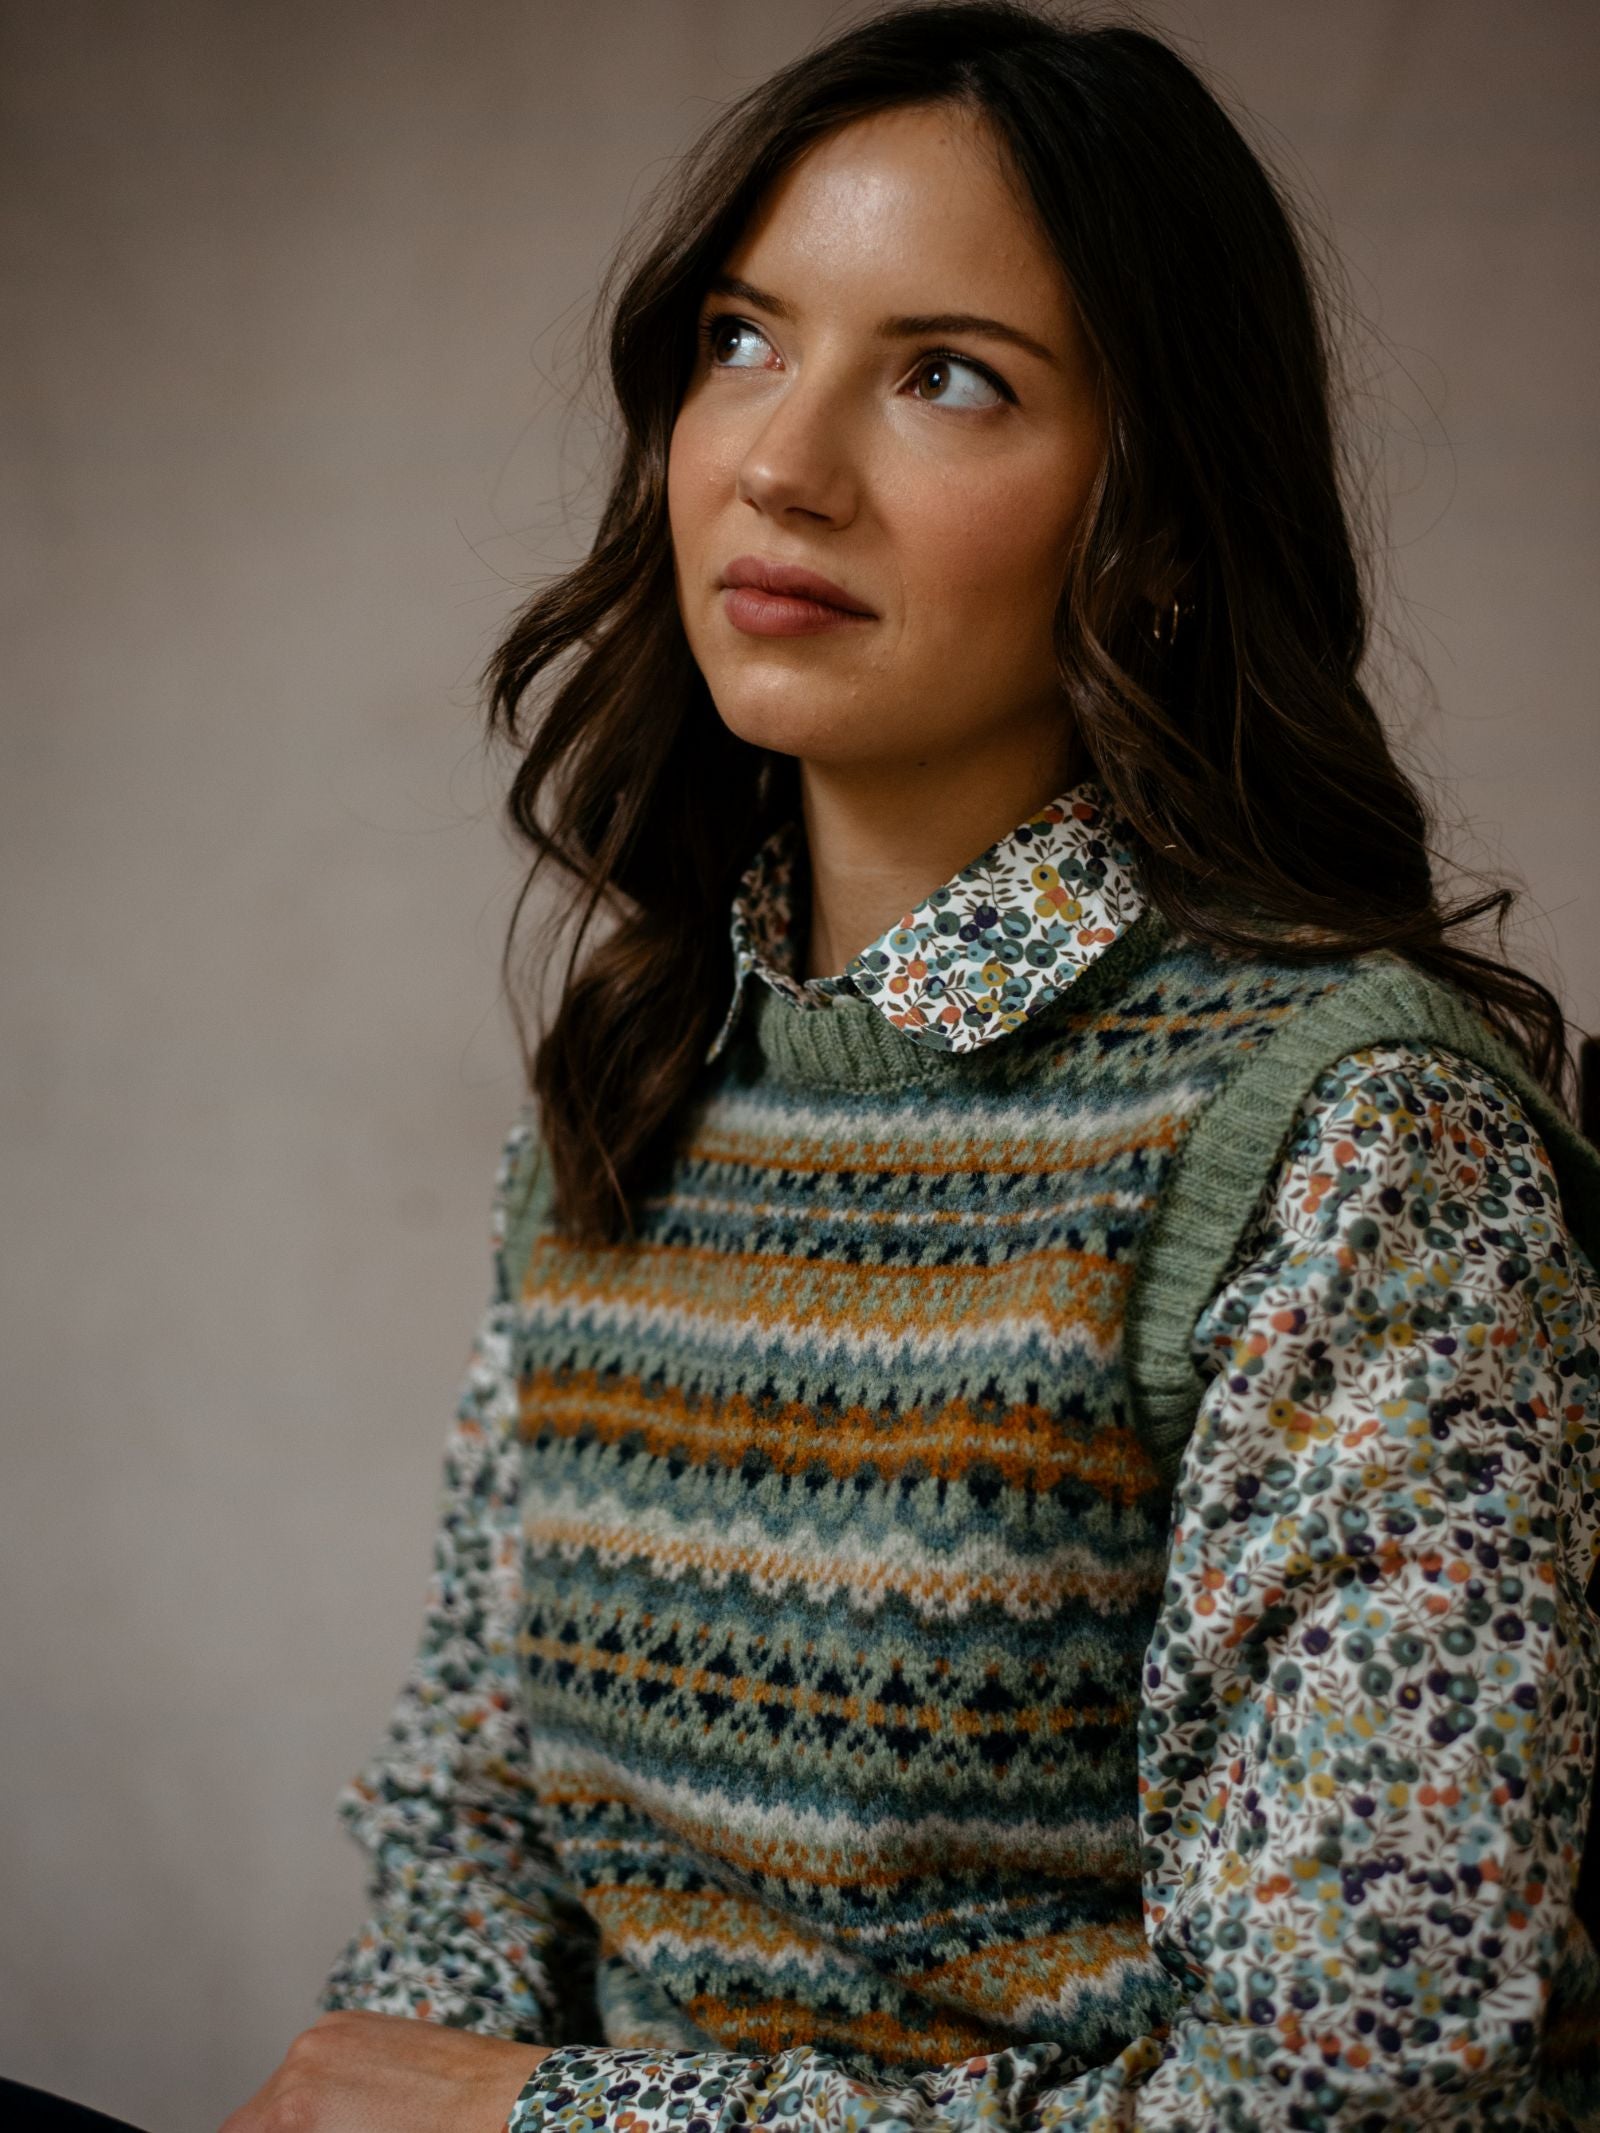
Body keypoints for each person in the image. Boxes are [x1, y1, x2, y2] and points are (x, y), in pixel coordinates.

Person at [220, 5, 1600, 2129]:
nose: (778, 458)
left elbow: (1358, 2099)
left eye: (946, 375)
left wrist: (548, 2124)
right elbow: (467, 1841)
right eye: (741, 338)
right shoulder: (637, 1080)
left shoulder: (1345, 1140)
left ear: (1147, 519)